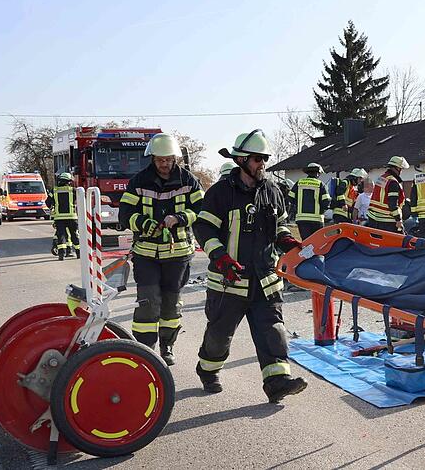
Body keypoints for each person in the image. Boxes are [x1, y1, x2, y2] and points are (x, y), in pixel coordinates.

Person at [193, 130, 308, 403]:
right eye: (258, 159)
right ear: (241, 160)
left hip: (265, 281)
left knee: (273, 332)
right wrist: (220, 257)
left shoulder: (272, 190)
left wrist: (288, 241)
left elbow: (278, 226)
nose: (262, 165)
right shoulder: (220, 193)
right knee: (219, 336)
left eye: (265, 159)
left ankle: (277, 383)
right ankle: (207, 370)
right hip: (229, 281)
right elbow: (204, 228)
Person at [118, 133, 203, 366]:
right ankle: (146, 350)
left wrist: (180, 217)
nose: (164, 164)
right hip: (146, 255)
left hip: (178, 255)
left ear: (174, 158)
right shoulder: (138, 181)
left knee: (171, 304)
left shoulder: (189, 181)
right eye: (159, 160)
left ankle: (167, 347)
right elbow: (124, 215)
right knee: (148, 302)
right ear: (152, 159)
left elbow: (203, 210)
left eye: (167, 159)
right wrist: (143, 223)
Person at [367, 156, 410, 233]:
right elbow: (392, 204)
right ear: (398, 168)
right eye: (401, 169)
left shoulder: (381, 178)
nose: (401, 172)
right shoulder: (393, 182)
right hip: (386, 221)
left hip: (373, 219)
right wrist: (398, 220)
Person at [289, 162, 331, 239]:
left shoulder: (299, 183)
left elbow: (291, 198)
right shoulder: (321, 184)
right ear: (318, 173)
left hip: (302, 219)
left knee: (306, 243)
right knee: (317, 243)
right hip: (317, 220)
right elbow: (326, 202)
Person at [47, 172, 80, 259]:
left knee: (61, 236)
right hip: (72, 217)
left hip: (59, 218)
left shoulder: (53, 190)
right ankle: (79, 253)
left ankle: (61, 255)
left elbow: (48, 203)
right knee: (74, 235)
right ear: (69, 181)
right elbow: (81, 201)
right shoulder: (74, 190)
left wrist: (52, 207)